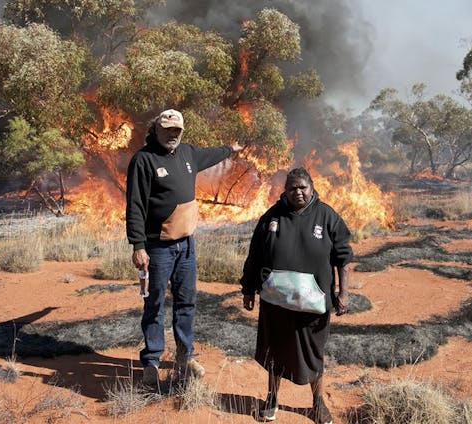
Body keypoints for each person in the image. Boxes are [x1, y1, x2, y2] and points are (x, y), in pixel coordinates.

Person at [126, 108, 243, 387]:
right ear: (157, 129)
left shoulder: (188, 153)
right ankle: (152, 361)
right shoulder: (144, 160)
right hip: (158, 247)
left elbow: (211, 153)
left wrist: (231, 148)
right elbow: (135, 206)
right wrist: (138, 246)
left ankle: (184, 357)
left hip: (186, 246)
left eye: (177, 131)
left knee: (186, 302)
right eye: (167, 130)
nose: (172, 135)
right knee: (154, 304)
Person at [240, 167, 353, 424]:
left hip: (313, 303)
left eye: (302, 187)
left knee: (315, 354)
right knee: (274, 351)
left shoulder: (327, 216)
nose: (298, 192)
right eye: (293, 188)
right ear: (285, 190)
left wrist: (343, 293)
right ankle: (271, 399)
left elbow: (343, 258)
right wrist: (248, 288)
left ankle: (317, 403)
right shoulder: (272, 216)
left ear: (312, 187)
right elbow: (255, 255)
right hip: (275, 300)